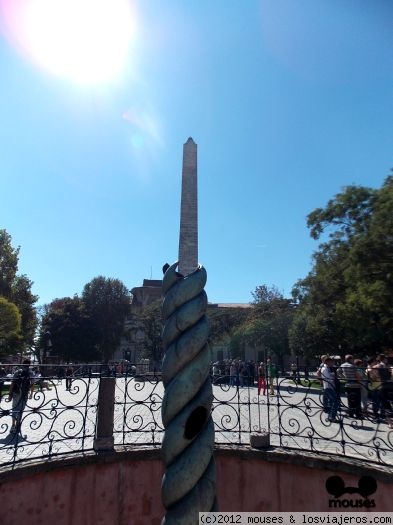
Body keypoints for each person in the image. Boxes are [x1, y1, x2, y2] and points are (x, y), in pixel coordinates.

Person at [7, 358, 34, 434]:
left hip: (16, 393)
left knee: (14, 409)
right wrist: (31, 394)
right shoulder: (30, 372)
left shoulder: (17, 372)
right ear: (29, 364)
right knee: (21, 410)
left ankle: (13, 425)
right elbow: (32, 384)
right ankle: (18, 426)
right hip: (24, 394)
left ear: (23, 363)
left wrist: (10, 394)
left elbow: (12, 384)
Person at [338, 354, 362, 419]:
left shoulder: (343, 365)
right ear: (351, 359)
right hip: (355, 384)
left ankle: (351, 413)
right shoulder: (353, 366)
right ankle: (358, 414)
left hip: (348, 384)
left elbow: (338, 371)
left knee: (350, 399)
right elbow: (357, 375)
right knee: (357, 400)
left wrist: (344, 377)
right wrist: (360, 382)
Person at [321, 357, 339, 422]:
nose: (333, 363)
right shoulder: (325, 369)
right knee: (336, 401)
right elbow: (328, 378)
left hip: (330, 387)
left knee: (331, 402)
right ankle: (332, 417)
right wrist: (333, 376)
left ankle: (330, 416)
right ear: (327, 362)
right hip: (328, 387)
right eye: (331, 362)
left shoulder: (328, 368)